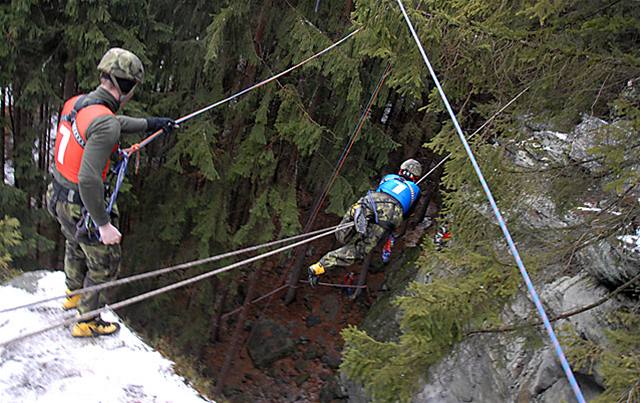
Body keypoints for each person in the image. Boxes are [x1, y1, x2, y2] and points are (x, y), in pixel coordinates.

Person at [47, 48, 175, 337]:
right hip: (80, 202)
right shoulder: (105, 123)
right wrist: (104, 225)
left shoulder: (76, 102)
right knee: (105, 262)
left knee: (74, 242)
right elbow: (90, 178)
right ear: (127, 86)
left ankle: (73, 293)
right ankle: (87, 321)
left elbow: (108, 124)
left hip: (57, 195)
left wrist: (152, 124)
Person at [307, 159, 423, 286]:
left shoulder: (389, 178)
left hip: (373, 201)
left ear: (401, 170)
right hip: (391, 214)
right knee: (361, 249)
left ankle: (356, 213)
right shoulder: (415, 190)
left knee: (341, 235)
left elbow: (380, 189)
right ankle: (319, 267)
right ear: (416, 178)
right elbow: (408, 213)